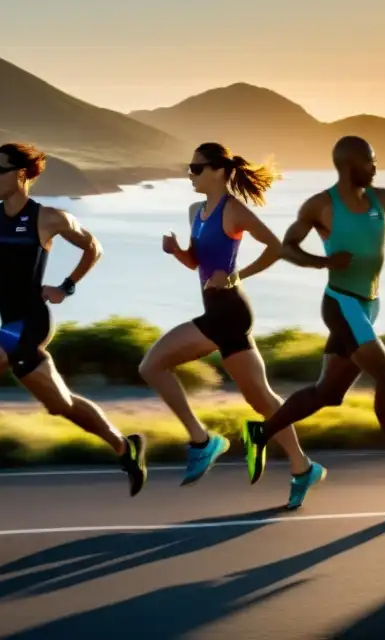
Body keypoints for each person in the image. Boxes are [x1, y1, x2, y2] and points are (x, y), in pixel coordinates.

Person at [0, 142, 147, 503]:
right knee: (60, 404)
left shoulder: (48, 218)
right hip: (11, 323)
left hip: (31, 322)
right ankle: (125, 448)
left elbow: (93, 246)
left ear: (20, 174)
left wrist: (67, 286)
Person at [240, 136, 385, 493]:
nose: (376, 167)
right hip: (341, 303)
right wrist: (323, 262)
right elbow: (285, 247)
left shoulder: (384, 199)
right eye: (371, 161)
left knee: (328, 393)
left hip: (368, 304)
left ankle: (261, 432)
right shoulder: (321, 205)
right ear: (352, 165)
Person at [139, 142, 326, 510]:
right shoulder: (196, 210)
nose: (189, 174)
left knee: (152, 365)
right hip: (223, 313)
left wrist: (237, 276)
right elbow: (198, 263)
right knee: (262, 399)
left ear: (219, 171)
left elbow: (275, 246)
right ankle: (303, 467)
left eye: (196, 168)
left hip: (227, 312)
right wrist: (177, 251)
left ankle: (202, 440)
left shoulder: (233, 211)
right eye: (189, 167)